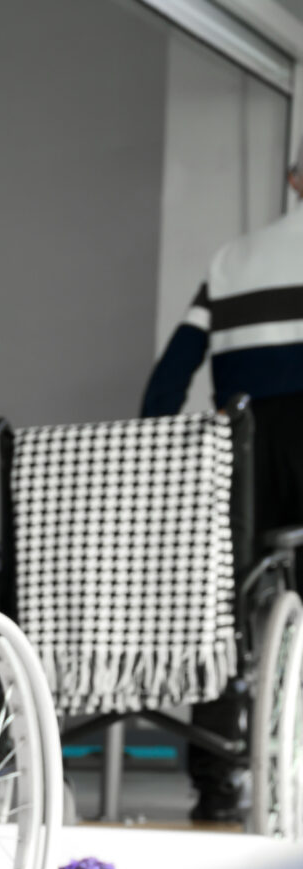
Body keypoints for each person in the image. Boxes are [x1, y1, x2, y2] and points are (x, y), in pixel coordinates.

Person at [143, 155, 303, 824]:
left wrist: (157, 456)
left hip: (241, 446)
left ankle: (215, 782)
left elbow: (169, 378)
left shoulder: (234, 259)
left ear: (295, 181)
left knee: (223, 608)